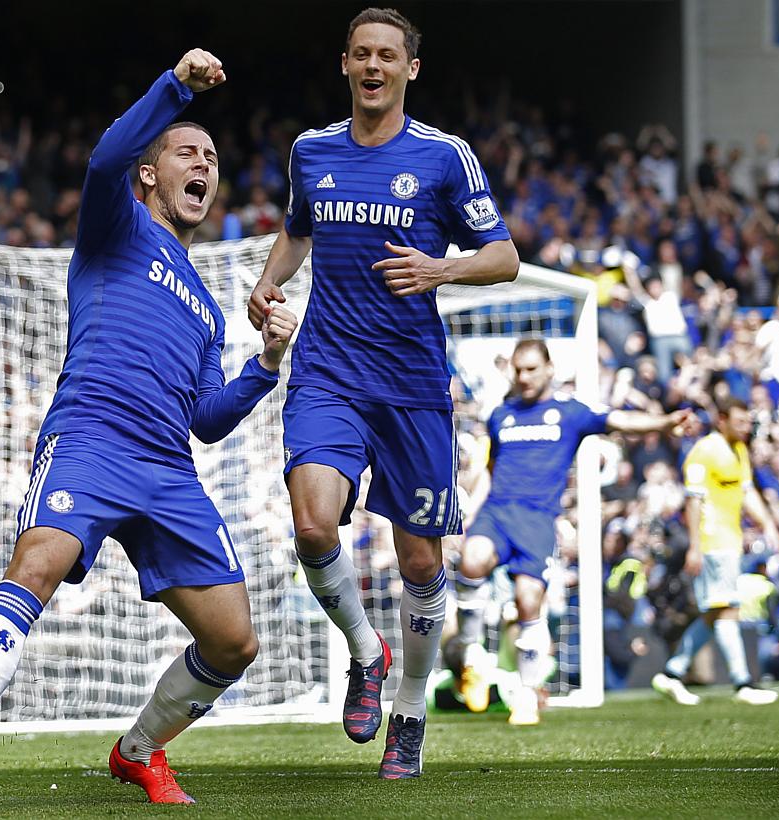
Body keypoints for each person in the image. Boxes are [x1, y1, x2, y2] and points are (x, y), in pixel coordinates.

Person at [0, 49, 299, 804]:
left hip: (169, 471)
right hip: (91, 439)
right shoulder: (117, 227)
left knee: (234, 640)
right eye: (187, 152)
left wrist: (264, 364)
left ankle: (139, 750)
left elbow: (207, 421)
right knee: (37, 563)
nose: (204, 164)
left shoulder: (206, 308)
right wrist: (175, 90)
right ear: (150, 175)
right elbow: (104, 160)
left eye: (212, 159)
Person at [246, 7, 520, 780]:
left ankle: (410, 711)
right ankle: (367, 653)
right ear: (345, 64)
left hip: (411, 386)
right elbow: (298, 230)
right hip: (327, 372)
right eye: (362, 54)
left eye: (387, 56)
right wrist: (267, 282)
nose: (374, 66)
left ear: (410, 69)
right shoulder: (311, 151)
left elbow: (503, 256)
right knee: (311, 525)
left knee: (420, 562)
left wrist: (441, 268)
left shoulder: (444, 157)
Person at [454, 339, 690, 725]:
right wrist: (468, 514)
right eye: (518, 369)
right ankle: (471, 657)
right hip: (497, 512)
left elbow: (620, 420)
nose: (523, 376)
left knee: (528, 602)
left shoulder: (569, 413)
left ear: (549, 369)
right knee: (472, 559)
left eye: (531, 369)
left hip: (537, 520)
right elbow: (491, 471)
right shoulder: (501, 415)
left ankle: (527, 693)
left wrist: (665, 422)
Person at [652, 396, 779, 705]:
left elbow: (747, 492)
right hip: (713, 540)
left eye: (748, 422)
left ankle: (672, 673)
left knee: (714, 613)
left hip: (730, 539)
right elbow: (693, 500)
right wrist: (695, 546)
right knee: (728, 609)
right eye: (740, 422)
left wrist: (768, 524)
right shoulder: (704, 451)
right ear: (721, 420)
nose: (746, 427)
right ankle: (742, 682)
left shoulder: (739, 450)